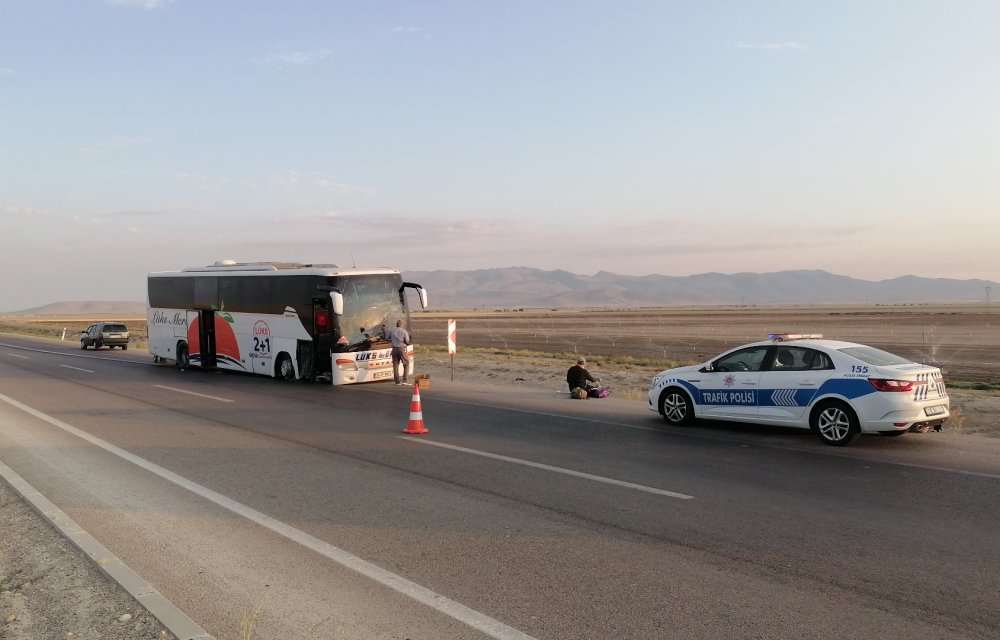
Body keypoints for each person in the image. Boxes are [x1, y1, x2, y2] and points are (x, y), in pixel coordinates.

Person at [389, 319, 411, 385]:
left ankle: (397, 381)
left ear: (396, 324)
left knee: (395, 366)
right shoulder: (404, 331)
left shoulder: (392, 331)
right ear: (401, 324)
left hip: (394, 350)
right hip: (402, 349)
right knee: (406, 364)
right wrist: (408, 344)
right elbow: (406, 341)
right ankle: (405, 381)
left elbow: (387, 338)